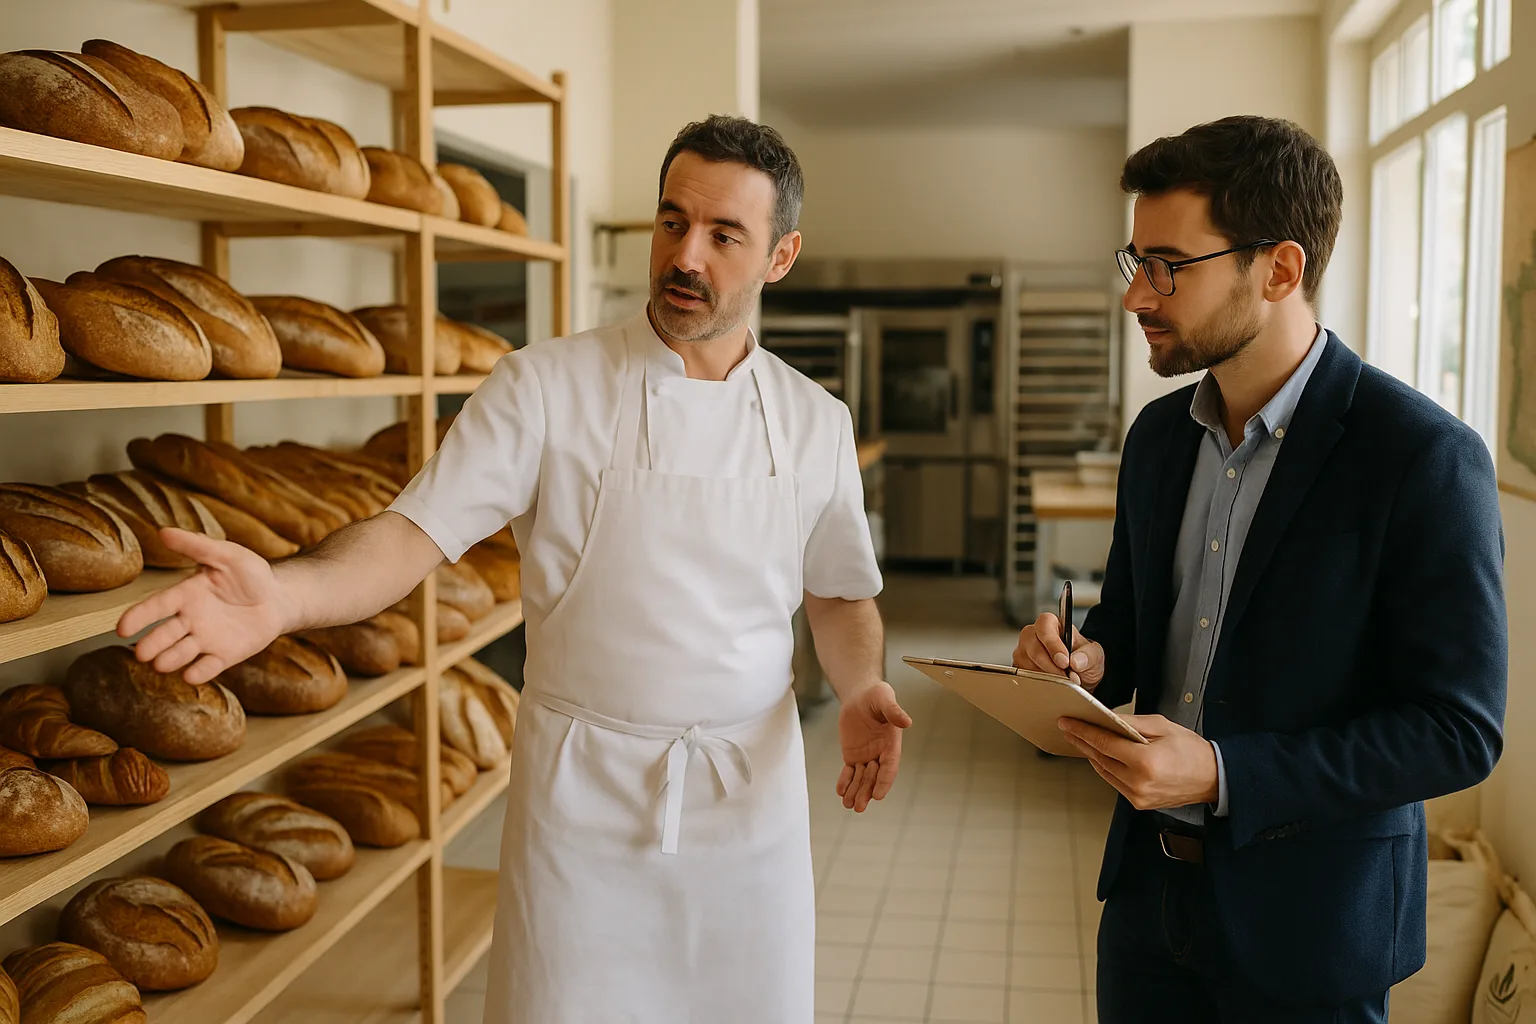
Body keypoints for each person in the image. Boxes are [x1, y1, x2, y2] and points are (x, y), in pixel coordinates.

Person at [116, 115, 911, 1024]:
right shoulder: (544, 386)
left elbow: (840, 593)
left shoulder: (816, 423)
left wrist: (858, 690)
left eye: (724, 235)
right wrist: (288, 595)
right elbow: (411, 533)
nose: (685, 256)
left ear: (781, 256)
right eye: (671, 222)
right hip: (582, 807)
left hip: (748, 806)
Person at [1011, 115, 1506, 1022]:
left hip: (1311, 928)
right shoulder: (1159, 438)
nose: (1137, 297)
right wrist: (1083, 658)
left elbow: (1457, 730)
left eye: (1168, 266)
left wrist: (1222, 773)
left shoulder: (1421, 457)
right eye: (1135, 263)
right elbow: (1125, 619)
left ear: (1279, 268)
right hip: (1145, 904)